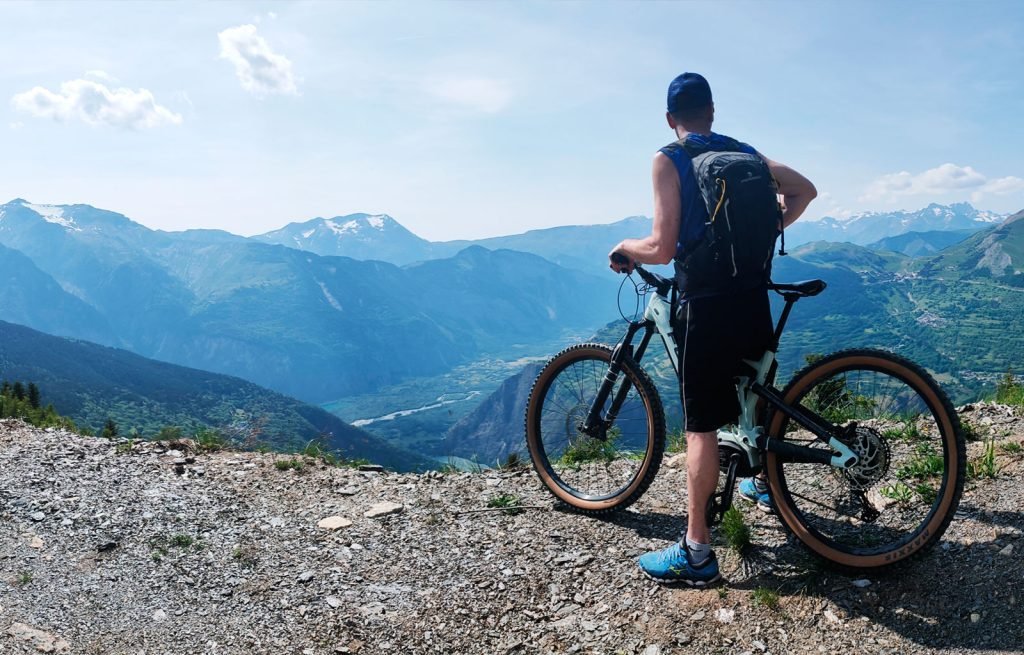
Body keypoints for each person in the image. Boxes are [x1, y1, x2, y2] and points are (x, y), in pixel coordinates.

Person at [608, 72, 817, 586]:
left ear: (669, 117)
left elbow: (660, 247)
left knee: (701, 424)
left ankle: (698, 552)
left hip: (706, 302)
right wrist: (768, 229)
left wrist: (624, 247)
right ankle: (762, 480)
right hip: (753, 294)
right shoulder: (745, 154)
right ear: (713, 111)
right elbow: (805, 191)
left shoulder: (669, 158)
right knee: (753, 387)